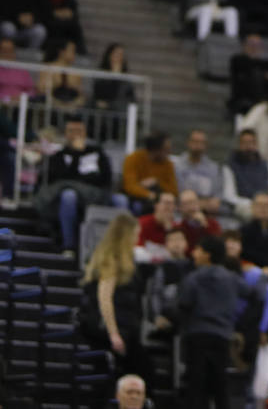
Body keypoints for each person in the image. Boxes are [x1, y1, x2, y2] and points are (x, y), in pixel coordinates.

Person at [178, 235, 262, 409]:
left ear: (207, 255)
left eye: (198, 250)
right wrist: (243, 323)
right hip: (222, 338)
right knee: (220, 388)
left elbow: (184, 304)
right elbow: (257, 297)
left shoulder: (194, 277)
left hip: (197, 336)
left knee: (196, 387)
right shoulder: (232, 278)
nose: (193, 254)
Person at [37, 115, 130, 253]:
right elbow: (61, 179)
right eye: (71, 131)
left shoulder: (98, 153)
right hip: (71, 196)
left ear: (85, 133)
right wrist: (76, 155)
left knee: (121, 200)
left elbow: (105, 178)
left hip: (97, 195)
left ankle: (121, 248)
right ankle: (69, 245)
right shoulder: (58, 156)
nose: (75, 135)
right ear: (65, 134)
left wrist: (82, 179)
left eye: (79, 131)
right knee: (69, 196)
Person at [81, 213, 151, 387]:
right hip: (111, 330)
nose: (137, 238)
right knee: (141, 369)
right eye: (135, 234)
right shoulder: (112, 259)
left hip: (124, 327)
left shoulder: (126, 261)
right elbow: (104, 297)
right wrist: (113, 333)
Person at [122, 131, 177, 210]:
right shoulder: (133, 159)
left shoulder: (168, 165)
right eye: (166, 149)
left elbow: (174, 191)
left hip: (159, 200)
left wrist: (157, 182)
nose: (169, 152)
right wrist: (149, 194)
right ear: (155, 149)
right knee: (126, 202)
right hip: (135, 198)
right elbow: (129, 186)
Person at [173, 129, 224, 214]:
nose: (198, 145)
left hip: (208, 212)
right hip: (182, 210)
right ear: (188, 143)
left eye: (201, 142)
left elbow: (217, 196)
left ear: (206, 145)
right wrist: (199, 204)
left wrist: (201, 204)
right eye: (195, 141)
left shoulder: (214, 168)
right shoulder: (177, 166)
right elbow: (178, 193)